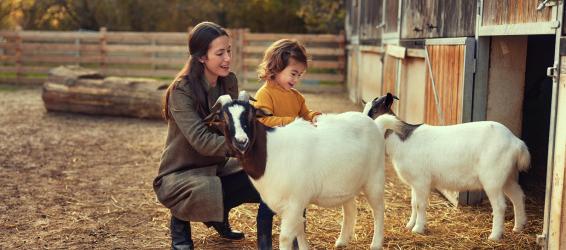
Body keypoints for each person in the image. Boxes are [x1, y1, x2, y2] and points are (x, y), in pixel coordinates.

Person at [153, 21, 263, 250]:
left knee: (259, 174)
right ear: (202, 57)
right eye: (220, 53)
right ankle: (180, 227)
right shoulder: (181, 90)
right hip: (182, 172)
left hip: (218, 165)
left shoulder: (229, 82)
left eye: (229, 51)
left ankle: (218, 215)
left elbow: (234, 124)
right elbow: (201, 140)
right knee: (203, 187)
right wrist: (241, 146)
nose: (227, 59)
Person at [253, 38, 321, 249]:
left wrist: (314, 116)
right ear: (276, 66)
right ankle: (264, 242)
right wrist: (292, 122)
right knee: (268, 204)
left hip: (295, 161)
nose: (297, 79)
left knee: (298, 203)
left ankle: (296, 241)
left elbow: (305, 114)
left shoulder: (296, 97)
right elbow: (262, 120)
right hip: (273, 162)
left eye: (300, 75)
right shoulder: (264, 94)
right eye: (293, 73)